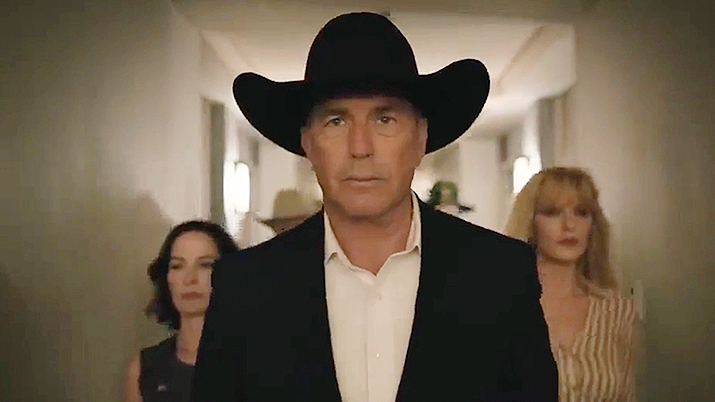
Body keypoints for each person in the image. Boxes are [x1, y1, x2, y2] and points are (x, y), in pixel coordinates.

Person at [192, 12, 557, 402]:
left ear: (420, 139)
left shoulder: (500, 275)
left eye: (385, 119)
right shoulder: (245, 288)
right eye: (336, 121)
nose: (360, 147)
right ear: (308, 144)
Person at [504, 167, 638, 401]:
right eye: (552, 212)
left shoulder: (616, 312)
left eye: (581, 212)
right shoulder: (503, 310)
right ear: (530, 222)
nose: (569, 225)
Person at [124, 220, 240, 402]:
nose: (190, 279)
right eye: (177, 266)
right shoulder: (144, 368)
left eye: (205, 265)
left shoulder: (257, 361)